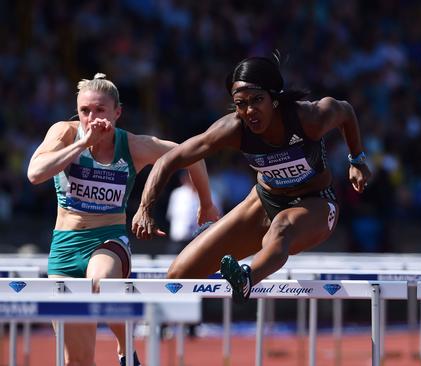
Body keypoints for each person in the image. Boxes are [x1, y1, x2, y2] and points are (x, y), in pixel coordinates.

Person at [132, 56, 372, 303]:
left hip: (316, 203)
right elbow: (169, 160)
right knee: (179, 273)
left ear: (275, 99)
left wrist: (357, 160)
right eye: (240, 103)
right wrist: (144, 207)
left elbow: (346, 111)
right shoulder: (234, 128)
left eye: (257, 100)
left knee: (281, 228)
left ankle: (246, 279)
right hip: (265, 200)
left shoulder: (309, 118)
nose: (249, 111)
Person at [27, 73, 219, 365]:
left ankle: (124, 345)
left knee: (99, 281)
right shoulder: (64, 133)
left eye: (100, 110)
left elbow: (193, 154)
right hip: (64, 249)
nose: (92, 118)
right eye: (85, 111)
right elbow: (35, 173)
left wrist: (206, 204)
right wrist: (82, 144)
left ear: (117, 112)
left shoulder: (133, 146)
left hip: (108, 242)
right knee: (76, 361)